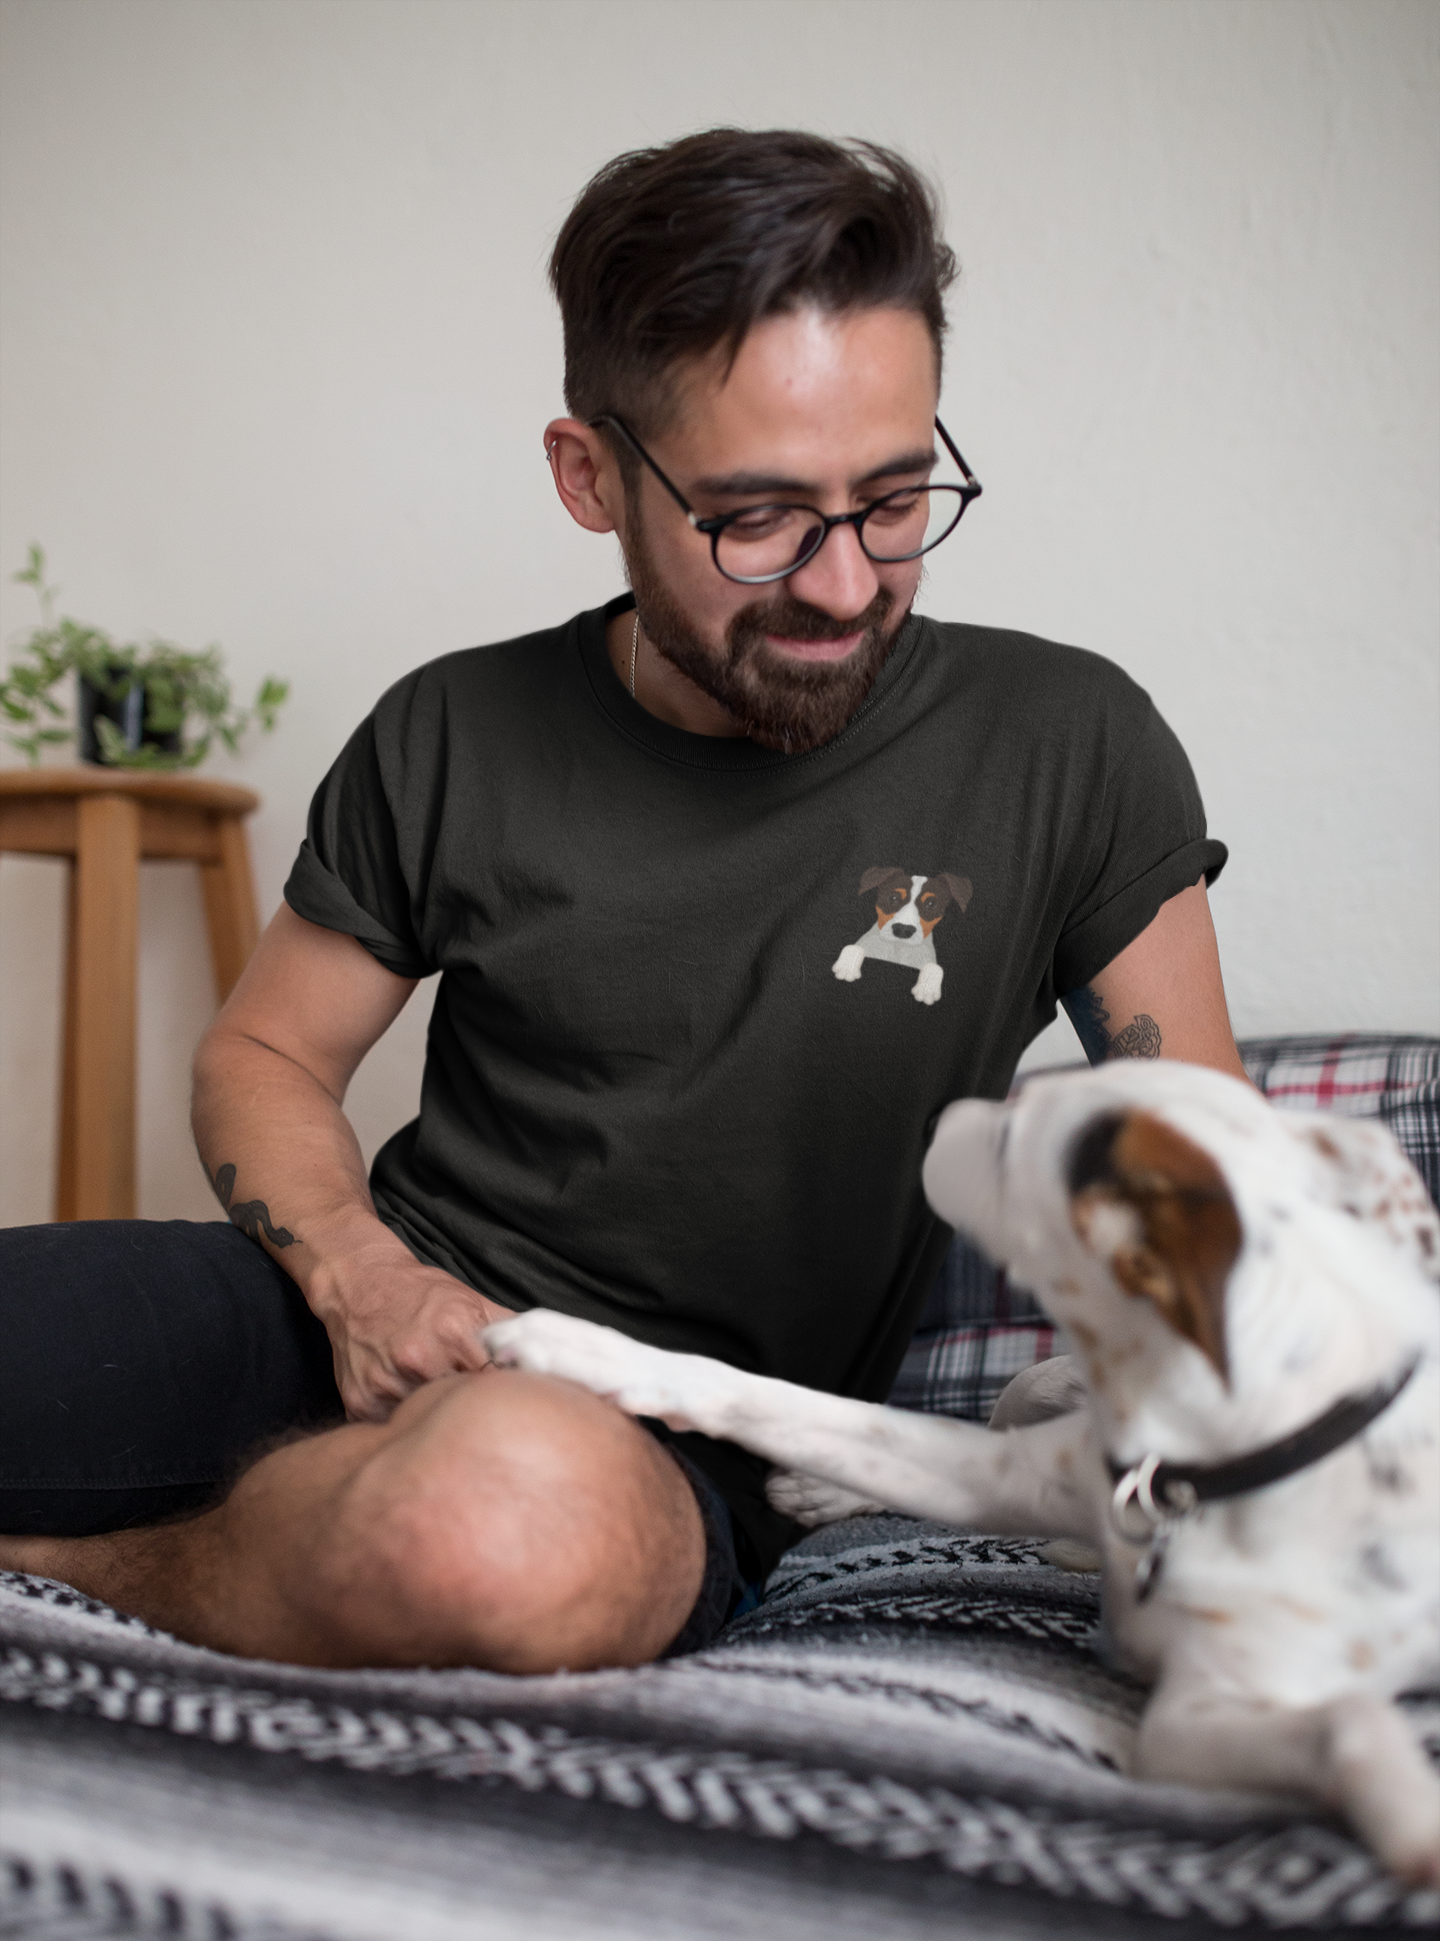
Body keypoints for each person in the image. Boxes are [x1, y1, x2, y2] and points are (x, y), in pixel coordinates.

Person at [0, 130, 1245, 1671]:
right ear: (590, 475)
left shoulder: (1071, 745)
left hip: (654, 1448)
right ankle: (302, 1535)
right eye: (758, 517)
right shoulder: (450, 730)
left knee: (499, 1533)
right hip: (352, 1315)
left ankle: (73, 1574)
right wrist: (363, 1276)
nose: (848, 585)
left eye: (898, 497)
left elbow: (1219, 1187)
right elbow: (264, 1054)